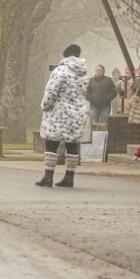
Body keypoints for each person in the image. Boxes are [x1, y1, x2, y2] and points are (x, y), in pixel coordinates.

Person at [37, 45, 89, 188]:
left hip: (58, 114)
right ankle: (69, 177)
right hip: (76, 114)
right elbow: (84, 93)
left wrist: (45, 105)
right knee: (72, 145)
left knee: (51, 144)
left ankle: (48, 177)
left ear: (65, 56)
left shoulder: (60, 70)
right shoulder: (84, 73)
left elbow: (51, 91)